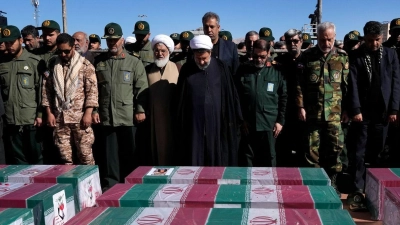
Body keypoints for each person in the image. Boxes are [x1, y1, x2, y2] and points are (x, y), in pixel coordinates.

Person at [347, 21, 400, 210]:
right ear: (365, 38)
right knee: (359, 151)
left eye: (377, 40)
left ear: (382, 38)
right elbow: (352, 84)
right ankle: (358, 188)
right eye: (370, 40)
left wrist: (394, 110)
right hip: (363, 112)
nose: (374, 44)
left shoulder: (391, 55)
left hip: (383, 112)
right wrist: (355, 110)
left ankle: (376, 186)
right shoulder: (356, 55)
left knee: (379, 150)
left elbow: (395, 82)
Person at [296, 22, 349, 196]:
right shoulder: (307, 57)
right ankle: (315, 182)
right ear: (316, 37)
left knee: (335, 147)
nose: (326, 43)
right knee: (312, 150)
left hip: (334, 113)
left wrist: (348, 109)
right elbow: (299, 85)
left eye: (330, 39)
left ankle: (333, 181)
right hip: (313, 112)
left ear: (334, 37)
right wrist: (300, 106)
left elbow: (347, 85)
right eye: (322, 39)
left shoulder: (342, 56)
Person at [93, 22, 148, 190]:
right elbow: (94, 89)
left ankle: (131, 186)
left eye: (115, 40)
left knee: (130, 154)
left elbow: (141, 87)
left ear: (122, 40)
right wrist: (94, 110)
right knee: (110, 158)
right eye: (109, 40)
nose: (112, 43)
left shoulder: (133, 62)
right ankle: (111, 188)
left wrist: (140, 109)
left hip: (128, 116)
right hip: (107, 116)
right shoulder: (99, 62)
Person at [176, 35, 242, 166]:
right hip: (194, 125)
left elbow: (230, 95)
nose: (201, 62)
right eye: (198, 58)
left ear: (210, 53)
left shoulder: (221, 67)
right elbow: (180, 101)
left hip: (217, 124)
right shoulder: (187, 69)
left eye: (204, 58)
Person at [42, 33, 98, 165]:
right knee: (65, 157)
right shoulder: (53, 65)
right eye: (60, 51)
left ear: (73, 47)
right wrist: (49, 113)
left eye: (67, 51)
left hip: (80, 118)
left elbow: (92, 91)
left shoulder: (85, 66)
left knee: (85, 155)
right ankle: (69, 184)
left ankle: (90, 185)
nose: (63, 55)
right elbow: (47, 91)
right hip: (60, 118)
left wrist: (88, 113)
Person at [236, 39, 287, 167]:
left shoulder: (276, 71)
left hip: (269, 123)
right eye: (256, 56)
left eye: (262, 57)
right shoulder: (243, 69)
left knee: (269, 156)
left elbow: (283, 97)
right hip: (249, 122)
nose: (259, 59)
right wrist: (241, 120)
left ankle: (269, 185)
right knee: (247, 156)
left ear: (268, 53)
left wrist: (280, 121)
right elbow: (237, 97)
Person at [0, 25, 45, 164]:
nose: (9, 46)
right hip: (11, 120)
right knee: (18, 161)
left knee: (37, 159)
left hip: (30, 120)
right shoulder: (3, 63)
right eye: (6, 43)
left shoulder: (34, 62)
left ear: (20, 40)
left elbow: (41, 92)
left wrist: (40, 115)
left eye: (11, 42)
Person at [274, 29, 308, 167]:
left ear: (301, 42)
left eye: (295, 41)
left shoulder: (308, 59)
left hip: (302, 109)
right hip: (284, 108)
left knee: (302, 145)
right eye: (289, 42)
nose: (293, 44)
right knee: (283, 145)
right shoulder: (279, 61)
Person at [144, 34, 179, 166]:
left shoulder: (178, 68)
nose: (159, 54)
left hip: (172, 118)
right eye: (156, 51)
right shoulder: (147, 70)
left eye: (163, 51)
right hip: (152, 119)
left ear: (168, 52)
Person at [34, 20, 62, 164]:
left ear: (59, 34)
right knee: (45, 151)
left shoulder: (64, 54)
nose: (47, 38)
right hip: (40, 109)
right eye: (44, 35)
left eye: (51, 35)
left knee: (63, 149)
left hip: (60, 109)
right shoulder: (36, 54)